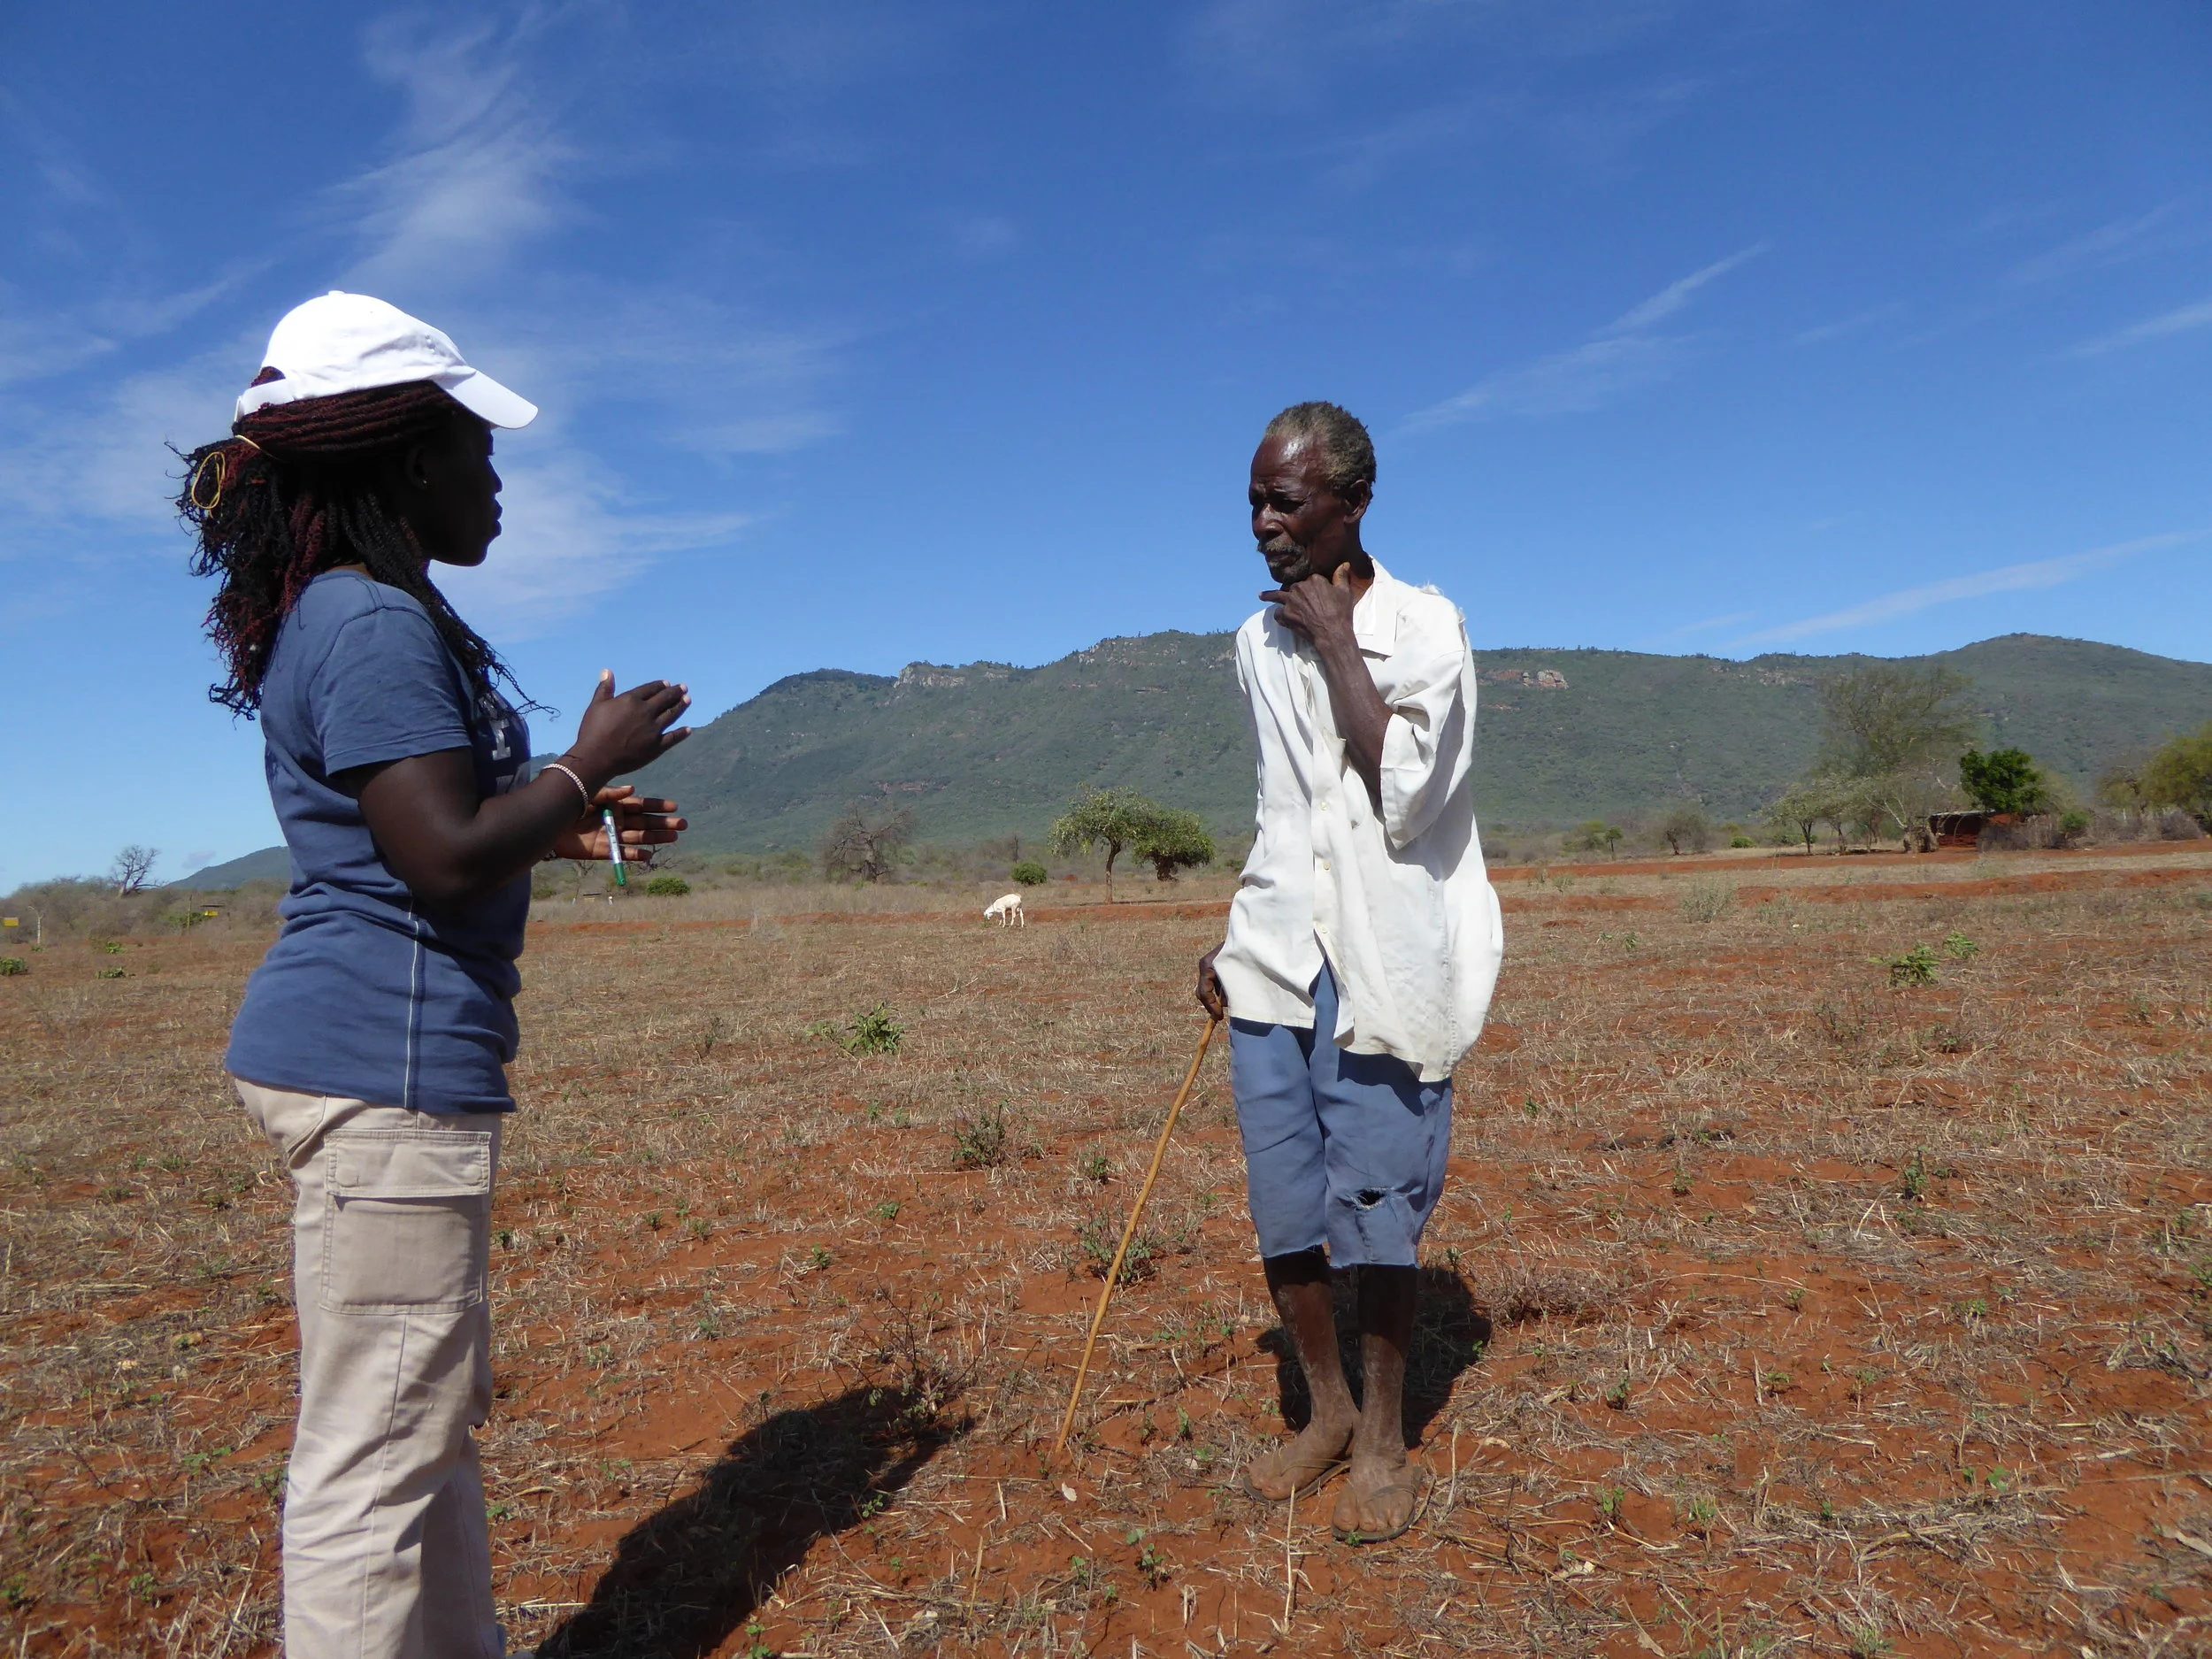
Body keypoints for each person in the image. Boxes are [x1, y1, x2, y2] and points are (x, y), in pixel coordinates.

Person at [178, 291, 691, 1658]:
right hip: (383, 1071)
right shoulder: (374, 623)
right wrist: (589, 760)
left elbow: (420, 826)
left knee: (423, 1428)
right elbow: (442, 853)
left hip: (374, 1057)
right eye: (479, 449)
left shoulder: (363, 612)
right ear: (410, 461)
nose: (500, 479)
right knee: (374, 1464)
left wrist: (571, 828)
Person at [1196, 401, 1503, 1545]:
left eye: (1286, 501)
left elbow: (1407, 796)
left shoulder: (1425, 628)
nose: (1265, 525)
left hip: (1387, 959)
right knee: (1286, 1202)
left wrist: (1336, 639)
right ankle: (1323, 1412)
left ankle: (1383, 1439)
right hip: (1275, 957)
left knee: (1377, 1206)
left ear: (1353, 504)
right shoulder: (1250, 642)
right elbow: (1287, 813)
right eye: (1254, 504)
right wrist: (1237, 929)